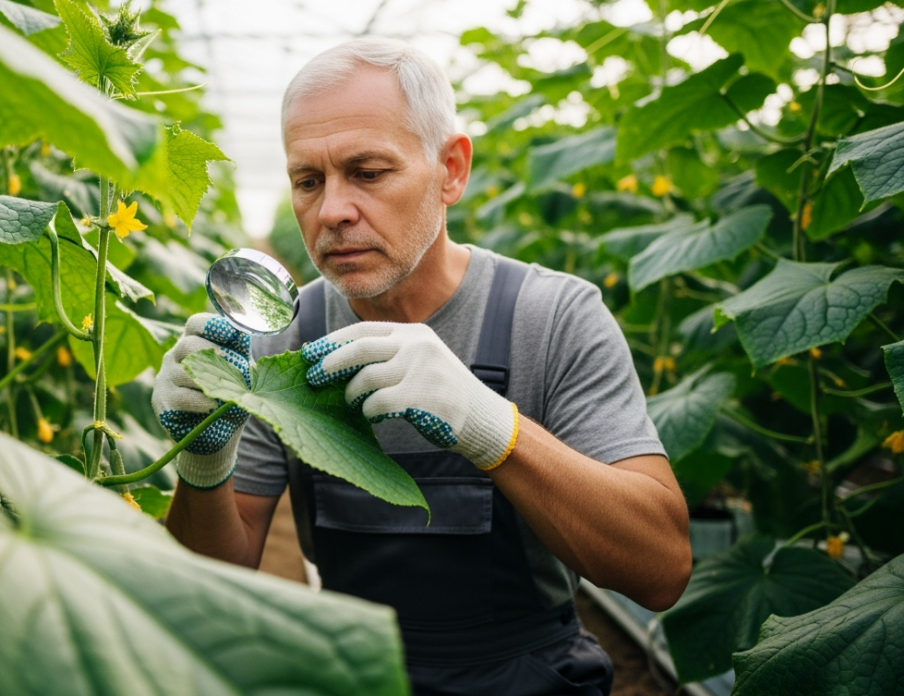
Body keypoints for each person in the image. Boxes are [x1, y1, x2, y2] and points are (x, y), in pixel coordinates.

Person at [153, 37, 692, 696]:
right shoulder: (283, 338)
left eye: (369, 172)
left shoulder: (551, 317)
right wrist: (202, 461)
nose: (332, 211)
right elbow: (205, 581)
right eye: (308, 180)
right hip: (355, 674)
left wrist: (491, 427)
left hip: (528, 676)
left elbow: (661, 571)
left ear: (451, 170)